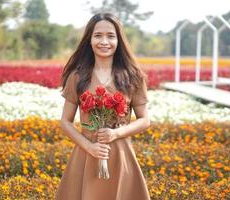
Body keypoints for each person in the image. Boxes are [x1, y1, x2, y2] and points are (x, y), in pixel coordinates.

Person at [56, 12, 150, 200]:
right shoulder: (78, 76)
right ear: (89, 40)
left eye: (110, 36)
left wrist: (116, 133)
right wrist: (89, 147)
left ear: (119, 40)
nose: (104, 41)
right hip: (86, 154)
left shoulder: (133, 77)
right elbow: (65, 122)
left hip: (121, 154)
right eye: (98, 35)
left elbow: (145, 120)